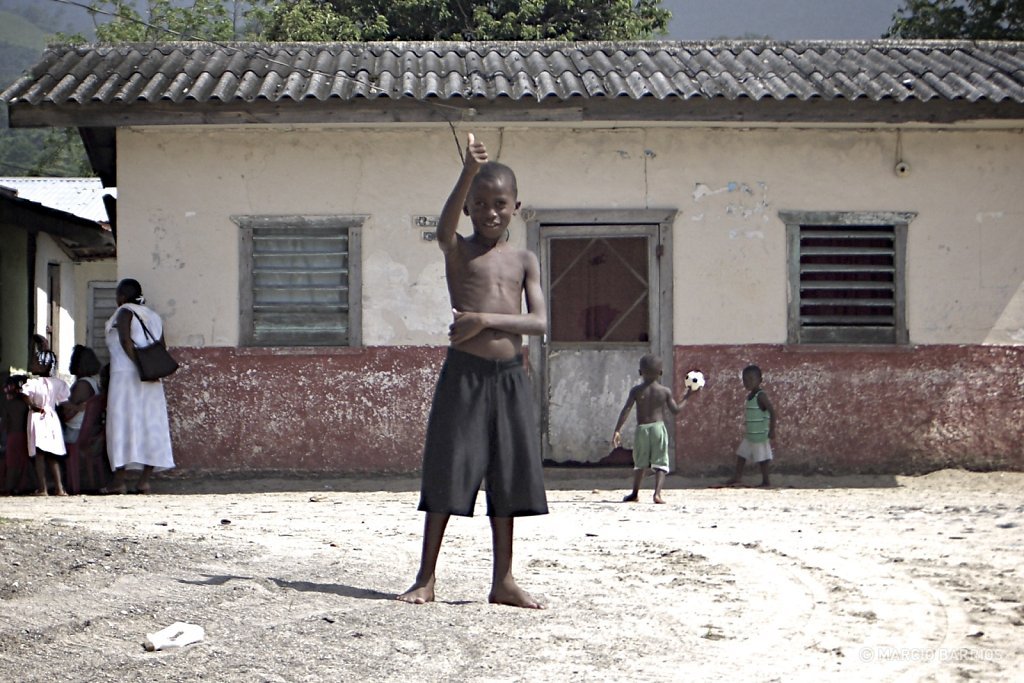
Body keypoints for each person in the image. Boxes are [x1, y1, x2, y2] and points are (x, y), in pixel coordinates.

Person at [398, 133, 548, 609]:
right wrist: (466, 170)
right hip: (464, 376)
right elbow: (443, 231)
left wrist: (485, 319)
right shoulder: (459, 251)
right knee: (447, 470)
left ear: (516, 207)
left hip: (509, 380)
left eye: (499, 204)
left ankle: (503, 580)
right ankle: (426, 577)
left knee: (508, 477)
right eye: (479, 204)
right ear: (468, 208)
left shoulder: (524, 259)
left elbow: (540, 322)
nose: (489, 212)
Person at [103, 278, 175, 494]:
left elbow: (126, 342)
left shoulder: (124, 311)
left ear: (122, 296)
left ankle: (119, 481)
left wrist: (138, 366)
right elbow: (161, 346)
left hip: (126, 378)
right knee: (152, 425)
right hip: (151, 379)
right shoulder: (153, 316)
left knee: (123, 424)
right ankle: (144, 480)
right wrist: (149, 368)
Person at [612, 354, 692, 504]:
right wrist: (688, 396)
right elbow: (675, 410)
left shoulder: (636, 391)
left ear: (640, 372)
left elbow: (626, 410)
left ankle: (635, 493)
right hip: (658, 429)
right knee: (661, 462)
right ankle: (657, 494)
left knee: (639, 463)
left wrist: (617, 429)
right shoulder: (665, 391)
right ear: (661, 373)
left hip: (642, 430)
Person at [22, 350, 71, 496]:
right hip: (51, 417)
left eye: (36, 362)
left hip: (38, 417)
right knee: (52, 454)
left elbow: (25, 395)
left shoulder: (33, 382)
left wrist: (32, 405)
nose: (33, 364)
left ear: (43, 366)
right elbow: (63, 400)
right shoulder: (58, 383)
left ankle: (43, 488)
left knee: (40, 454)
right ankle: (59, 488)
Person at [725, 364, 776, 488]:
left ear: (760, 380)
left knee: (762, 459)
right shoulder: (750, 396)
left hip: (759, 435)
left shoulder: (761, 396)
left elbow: (772, 412)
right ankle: (737, 477)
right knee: (741, 455)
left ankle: (766, 480)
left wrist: (772, 430)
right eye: (745, 380)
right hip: (750, 435)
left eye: (751, 379)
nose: (747, 382)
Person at [61, 345, 102, 444]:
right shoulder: (93, 382)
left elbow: (67, 415)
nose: (70, 362)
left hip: (74, 433)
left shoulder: (82, 385)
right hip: (83, 431)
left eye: (72, 359)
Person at [2, 374, 32, 494]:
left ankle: (8, 487)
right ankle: (21, 487)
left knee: (12, 463)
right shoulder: (26, 404)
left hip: (13, 436)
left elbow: (5, 422)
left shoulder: (9, 405)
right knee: (23, 462)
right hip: (26, 436)